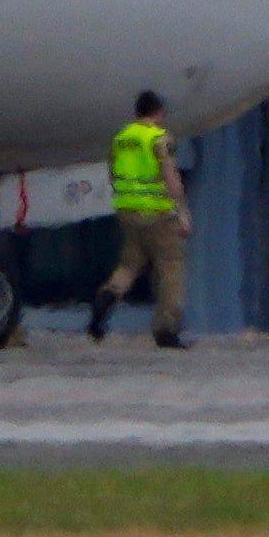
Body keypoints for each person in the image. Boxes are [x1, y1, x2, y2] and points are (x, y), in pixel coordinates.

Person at [91, 89, 188, 347]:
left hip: (127, 211)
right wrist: (182, 211)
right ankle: (167, 329)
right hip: (157, 214)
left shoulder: (121, 138)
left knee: (129, 264)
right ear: (158, 112)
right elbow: (171, 178)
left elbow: (112, 172)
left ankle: (108, 295)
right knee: (170, 267)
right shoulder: (158, 139)